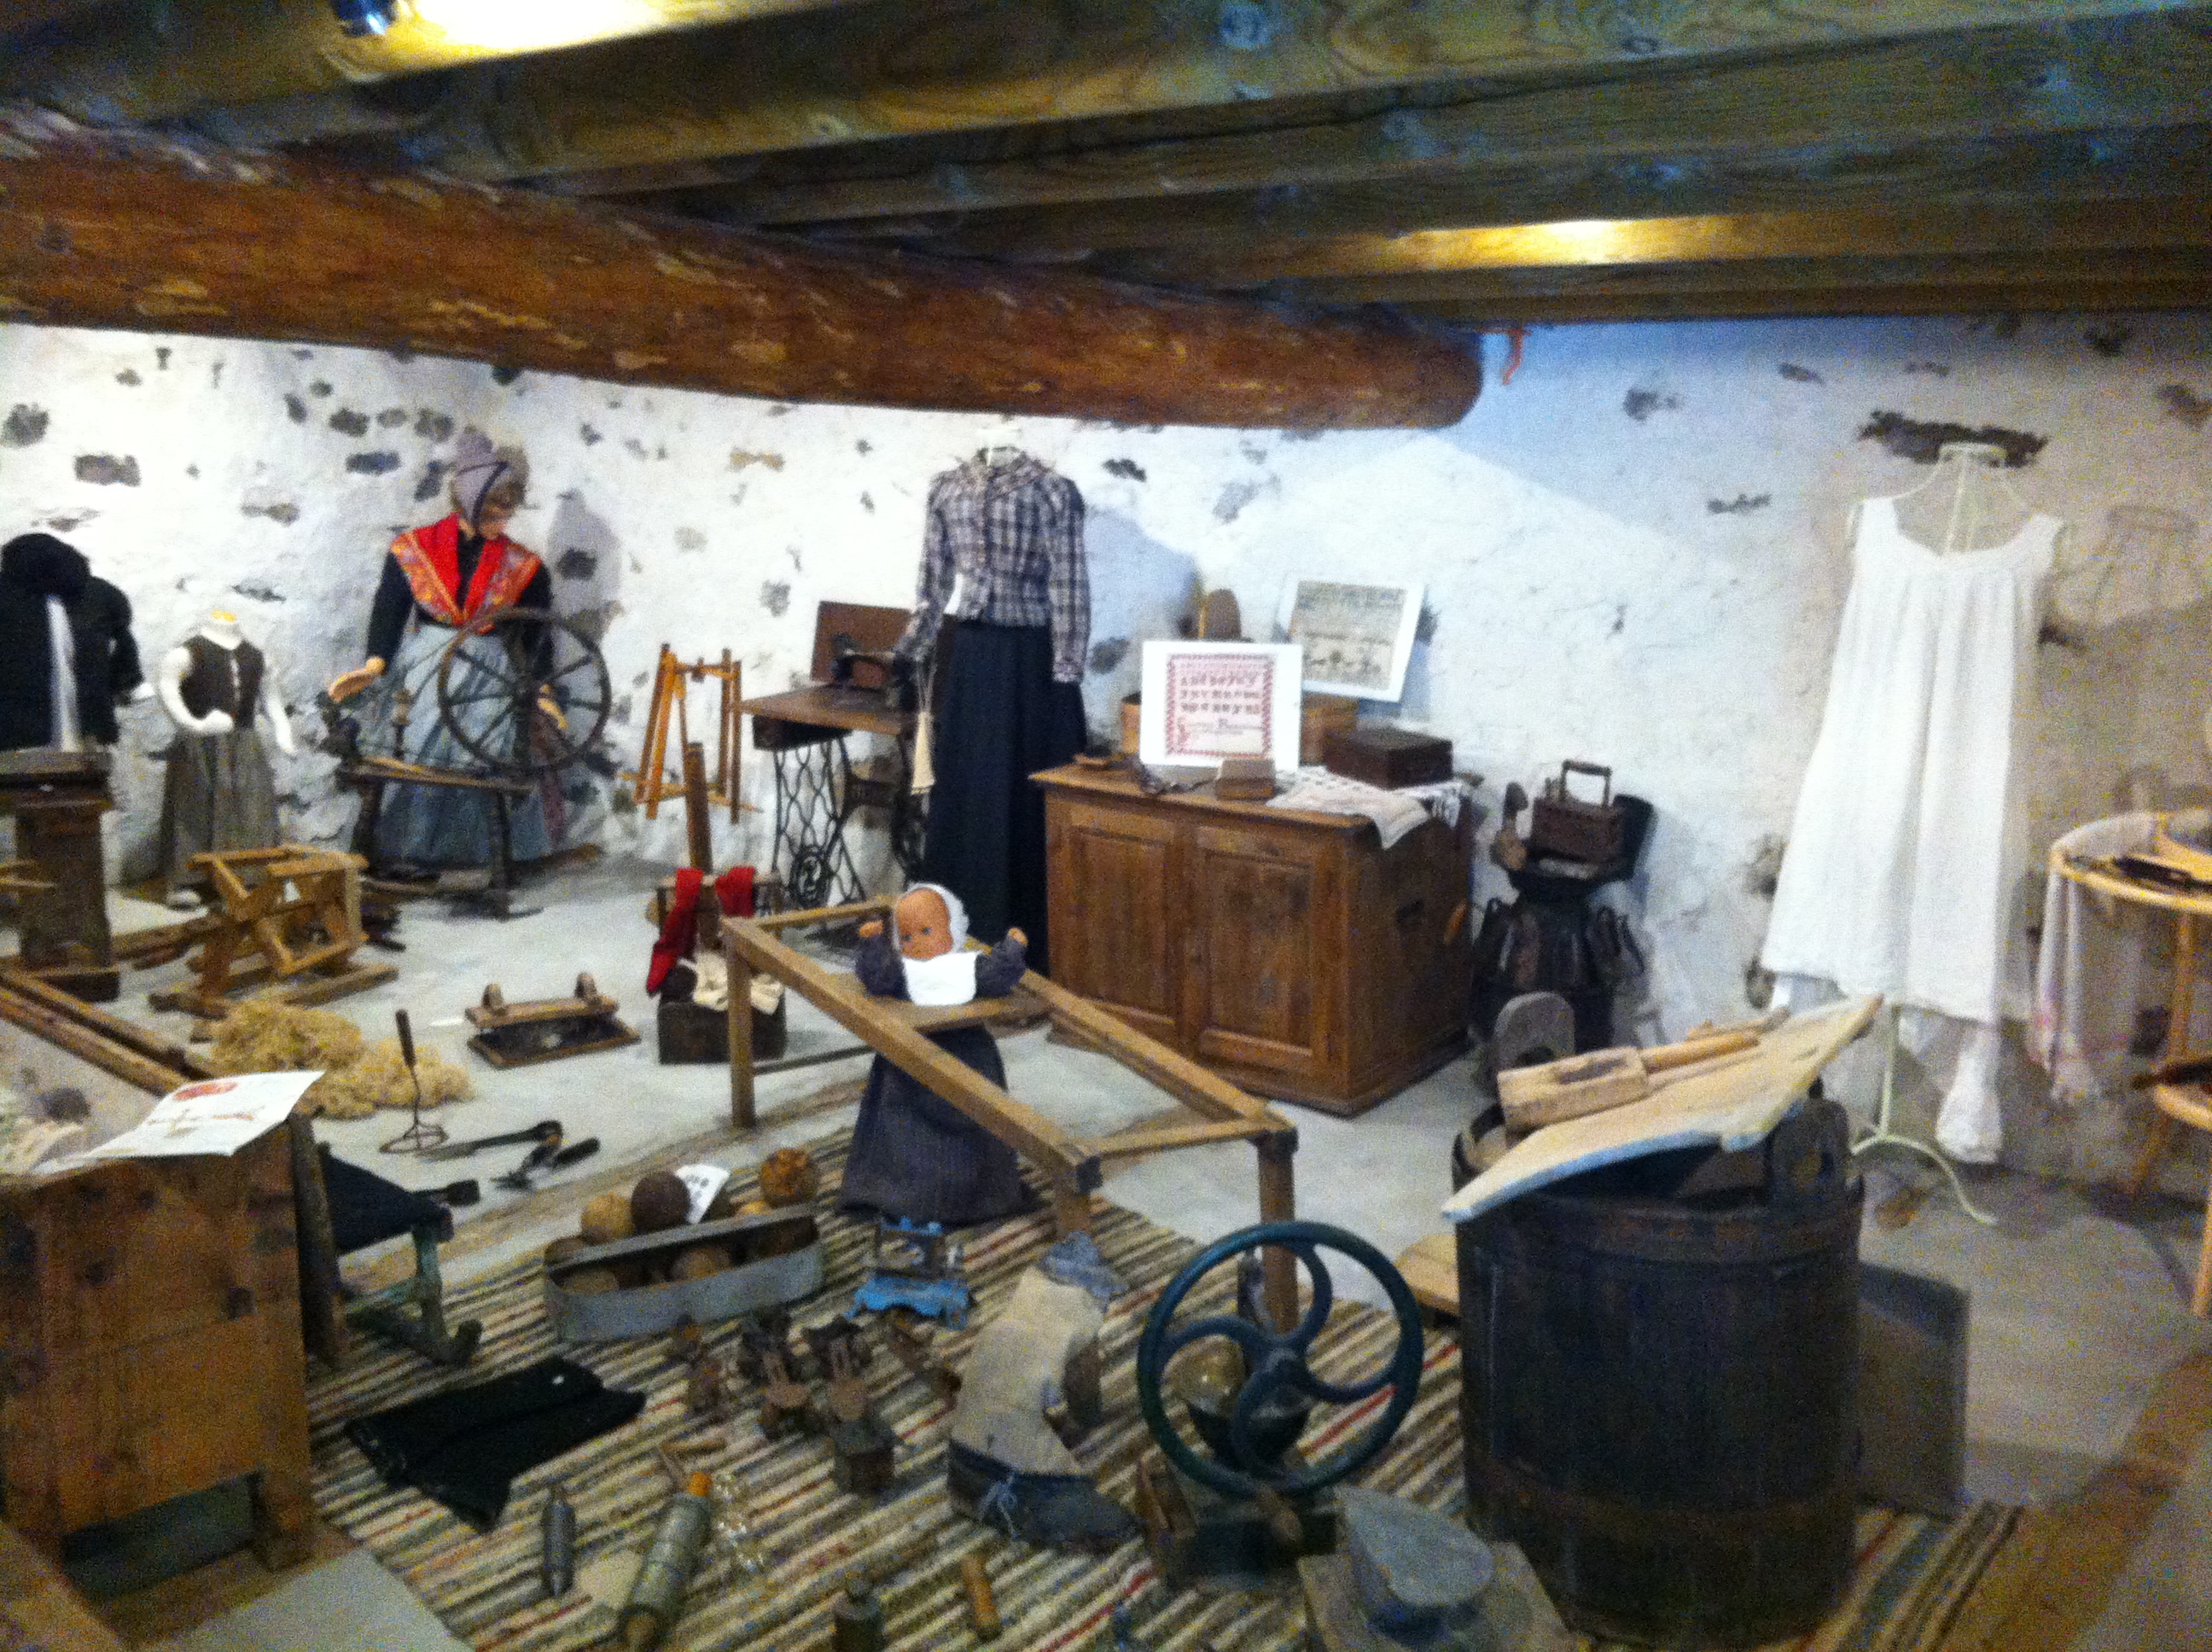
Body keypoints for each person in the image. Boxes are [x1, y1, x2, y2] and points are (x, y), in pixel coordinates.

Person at [327, 433, 556, 870]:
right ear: (468, 502)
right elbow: (390, 610)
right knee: (417, 749)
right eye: (492, 512)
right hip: (427, 666)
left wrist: (542, 689)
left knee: (482, 755)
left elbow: (535, 635)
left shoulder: (526, 568)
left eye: (507, 512)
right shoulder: (414, 550)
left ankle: (476, 860)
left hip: (489, 672)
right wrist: (375, 665)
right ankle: (407, 853)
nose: (501, 522)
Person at [837, 882, 1035, 1225]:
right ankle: (904, 1193)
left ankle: (979, 1192)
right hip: (908, 1065)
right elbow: (878, 978)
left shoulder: (967, 967)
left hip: (968, 1056)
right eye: (907, 937)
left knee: (978, 1117)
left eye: (927, 931)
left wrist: (1012, 949)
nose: (917, 942)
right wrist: (873, 944)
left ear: (952, 931)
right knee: (901, 1127)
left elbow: (997, 977)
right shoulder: (904, 972)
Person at [0, 532, 145, 752]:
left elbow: (124, 647)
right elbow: (125, 650)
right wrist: (124, 684)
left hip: (18, 741)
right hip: (87, 737)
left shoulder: (100, 596)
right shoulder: (102, 595)